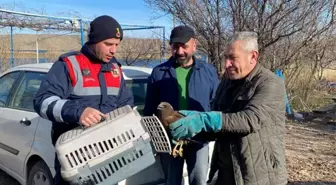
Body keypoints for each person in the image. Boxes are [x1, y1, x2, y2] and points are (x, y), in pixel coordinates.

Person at [168, 31, 288, 185]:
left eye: (232, 58)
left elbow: (249, 120)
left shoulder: (270, 83)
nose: (226, 64)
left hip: (258, 176)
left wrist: (203, 120)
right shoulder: (227, 82)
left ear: (253, 57)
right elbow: (219, 124)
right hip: (226, 172)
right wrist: (190, 130)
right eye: (226, 57)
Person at [33, 15, 134, 185]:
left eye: (117, 45)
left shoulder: (115, 69)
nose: (113, 50)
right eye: (108, 44)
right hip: (74, 159)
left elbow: (126, 104)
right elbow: (42, 101)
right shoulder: (69, 64)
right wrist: (78, 112)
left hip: (109, 156)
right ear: (94, 40)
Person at [143, 25, 219, 185]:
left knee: (199, 181)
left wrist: (211, 133)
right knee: (171, 181)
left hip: (199, 139)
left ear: (194, 45)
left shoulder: (208, 72)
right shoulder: (158, 72)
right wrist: (155, 138)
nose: (179, 51)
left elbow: (216, 105)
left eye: (184, 46)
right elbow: (149, 109)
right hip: (169, 141)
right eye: (175, 46)